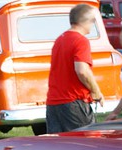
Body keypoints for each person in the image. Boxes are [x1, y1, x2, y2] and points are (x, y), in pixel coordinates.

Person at [45, 3, 104, 133]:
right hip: (74, 101)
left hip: (54, 102)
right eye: (93, 21)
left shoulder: (60, 39)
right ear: (87, 21)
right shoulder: (80, 40)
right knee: (86, 144)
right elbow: (82, 70)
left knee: (60, 148)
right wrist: (96, 91)